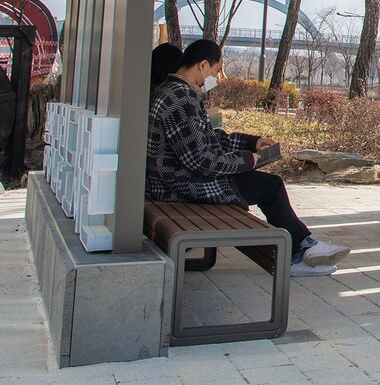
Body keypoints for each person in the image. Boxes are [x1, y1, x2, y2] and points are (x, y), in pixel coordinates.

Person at [146, 38, 350, 276]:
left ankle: (304, 246)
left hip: (173, 180)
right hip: (181, 186)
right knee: (270, 186)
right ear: (203, 65)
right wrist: (247, 160)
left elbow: (206, 139)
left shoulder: (173, 92)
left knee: (265, 184)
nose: (217, 78)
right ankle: (297, 255)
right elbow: (200, 160)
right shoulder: (182, 99)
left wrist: (251, 143)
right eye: (216, 70)